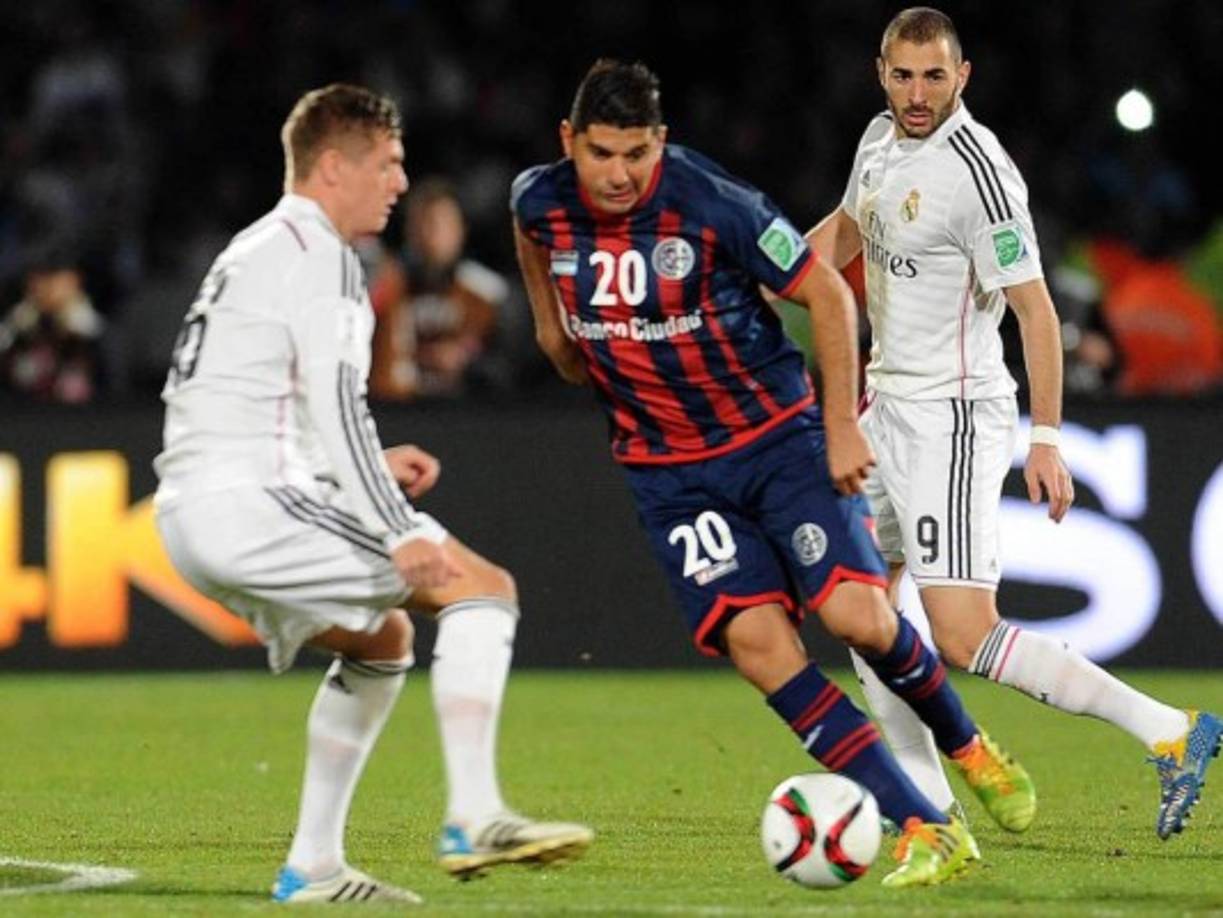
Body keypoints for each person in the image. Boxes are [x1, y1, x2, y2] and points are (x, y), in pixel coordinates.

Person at [513, 59, 1032, 889]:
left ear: (661, 143)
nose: (618, 175)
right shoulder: (537, 201)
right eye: (601, 154)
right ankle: (926, 827)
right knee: (760, 651)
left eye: (636, 154)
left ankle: (969, 748)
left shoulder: (713, 203)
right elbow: (536, 256)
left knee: (858, 616)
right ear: (568, 142)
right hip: (668, 474)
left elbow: (828, 295)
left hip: (775, 442)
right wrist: (551, 330)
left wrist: (835, 430)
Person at [153, 84, 591, 906]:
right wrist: (395, 530)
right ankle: (473, 814)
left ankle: (312, 866)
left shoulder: (258, 247)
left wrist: (368, 465)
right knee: (480, 588)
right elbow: (334, 402)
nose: (399, 182)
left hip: (196, 510)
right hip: (249, 502)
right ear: (330, 167)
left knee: (382, 637)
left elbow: (260, 399)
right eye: (386, 165)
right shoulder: (320, 255)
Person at [806, 6, 1221, 842]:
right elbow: (848, 229)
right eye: (902, 75)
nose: (917, 93)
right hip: (885, 403)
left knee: (959, 630)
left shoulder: (978, 171)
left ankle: (1170, 731)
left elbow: (1033, 312)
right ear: (879, 73)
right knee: (858, 604)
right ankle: (929, 817)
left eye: (933, 76)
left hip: (953, 416)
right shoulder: (878, 141)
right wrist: (761, 269)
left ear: (962, 76)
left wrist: (1045, 439)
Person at [369, 177, 507, 399]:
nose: (429, 234)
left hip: (470, 414)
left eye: (439, 224)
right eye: (420, 223)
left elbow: (507, 366)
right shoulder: (387, 286)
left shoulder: (487, 292)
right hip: (398, 412)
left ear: (461, 229)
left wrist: (467, 359)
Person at [0, 254, 104, 403]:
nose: (44, 288)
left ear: (74, 282)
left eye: (54, 281)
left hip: (83, 411)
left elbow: (86, 342)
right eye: (37, 281)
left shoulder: (83, 315)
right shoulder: (23, 314)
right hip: (23, 406)